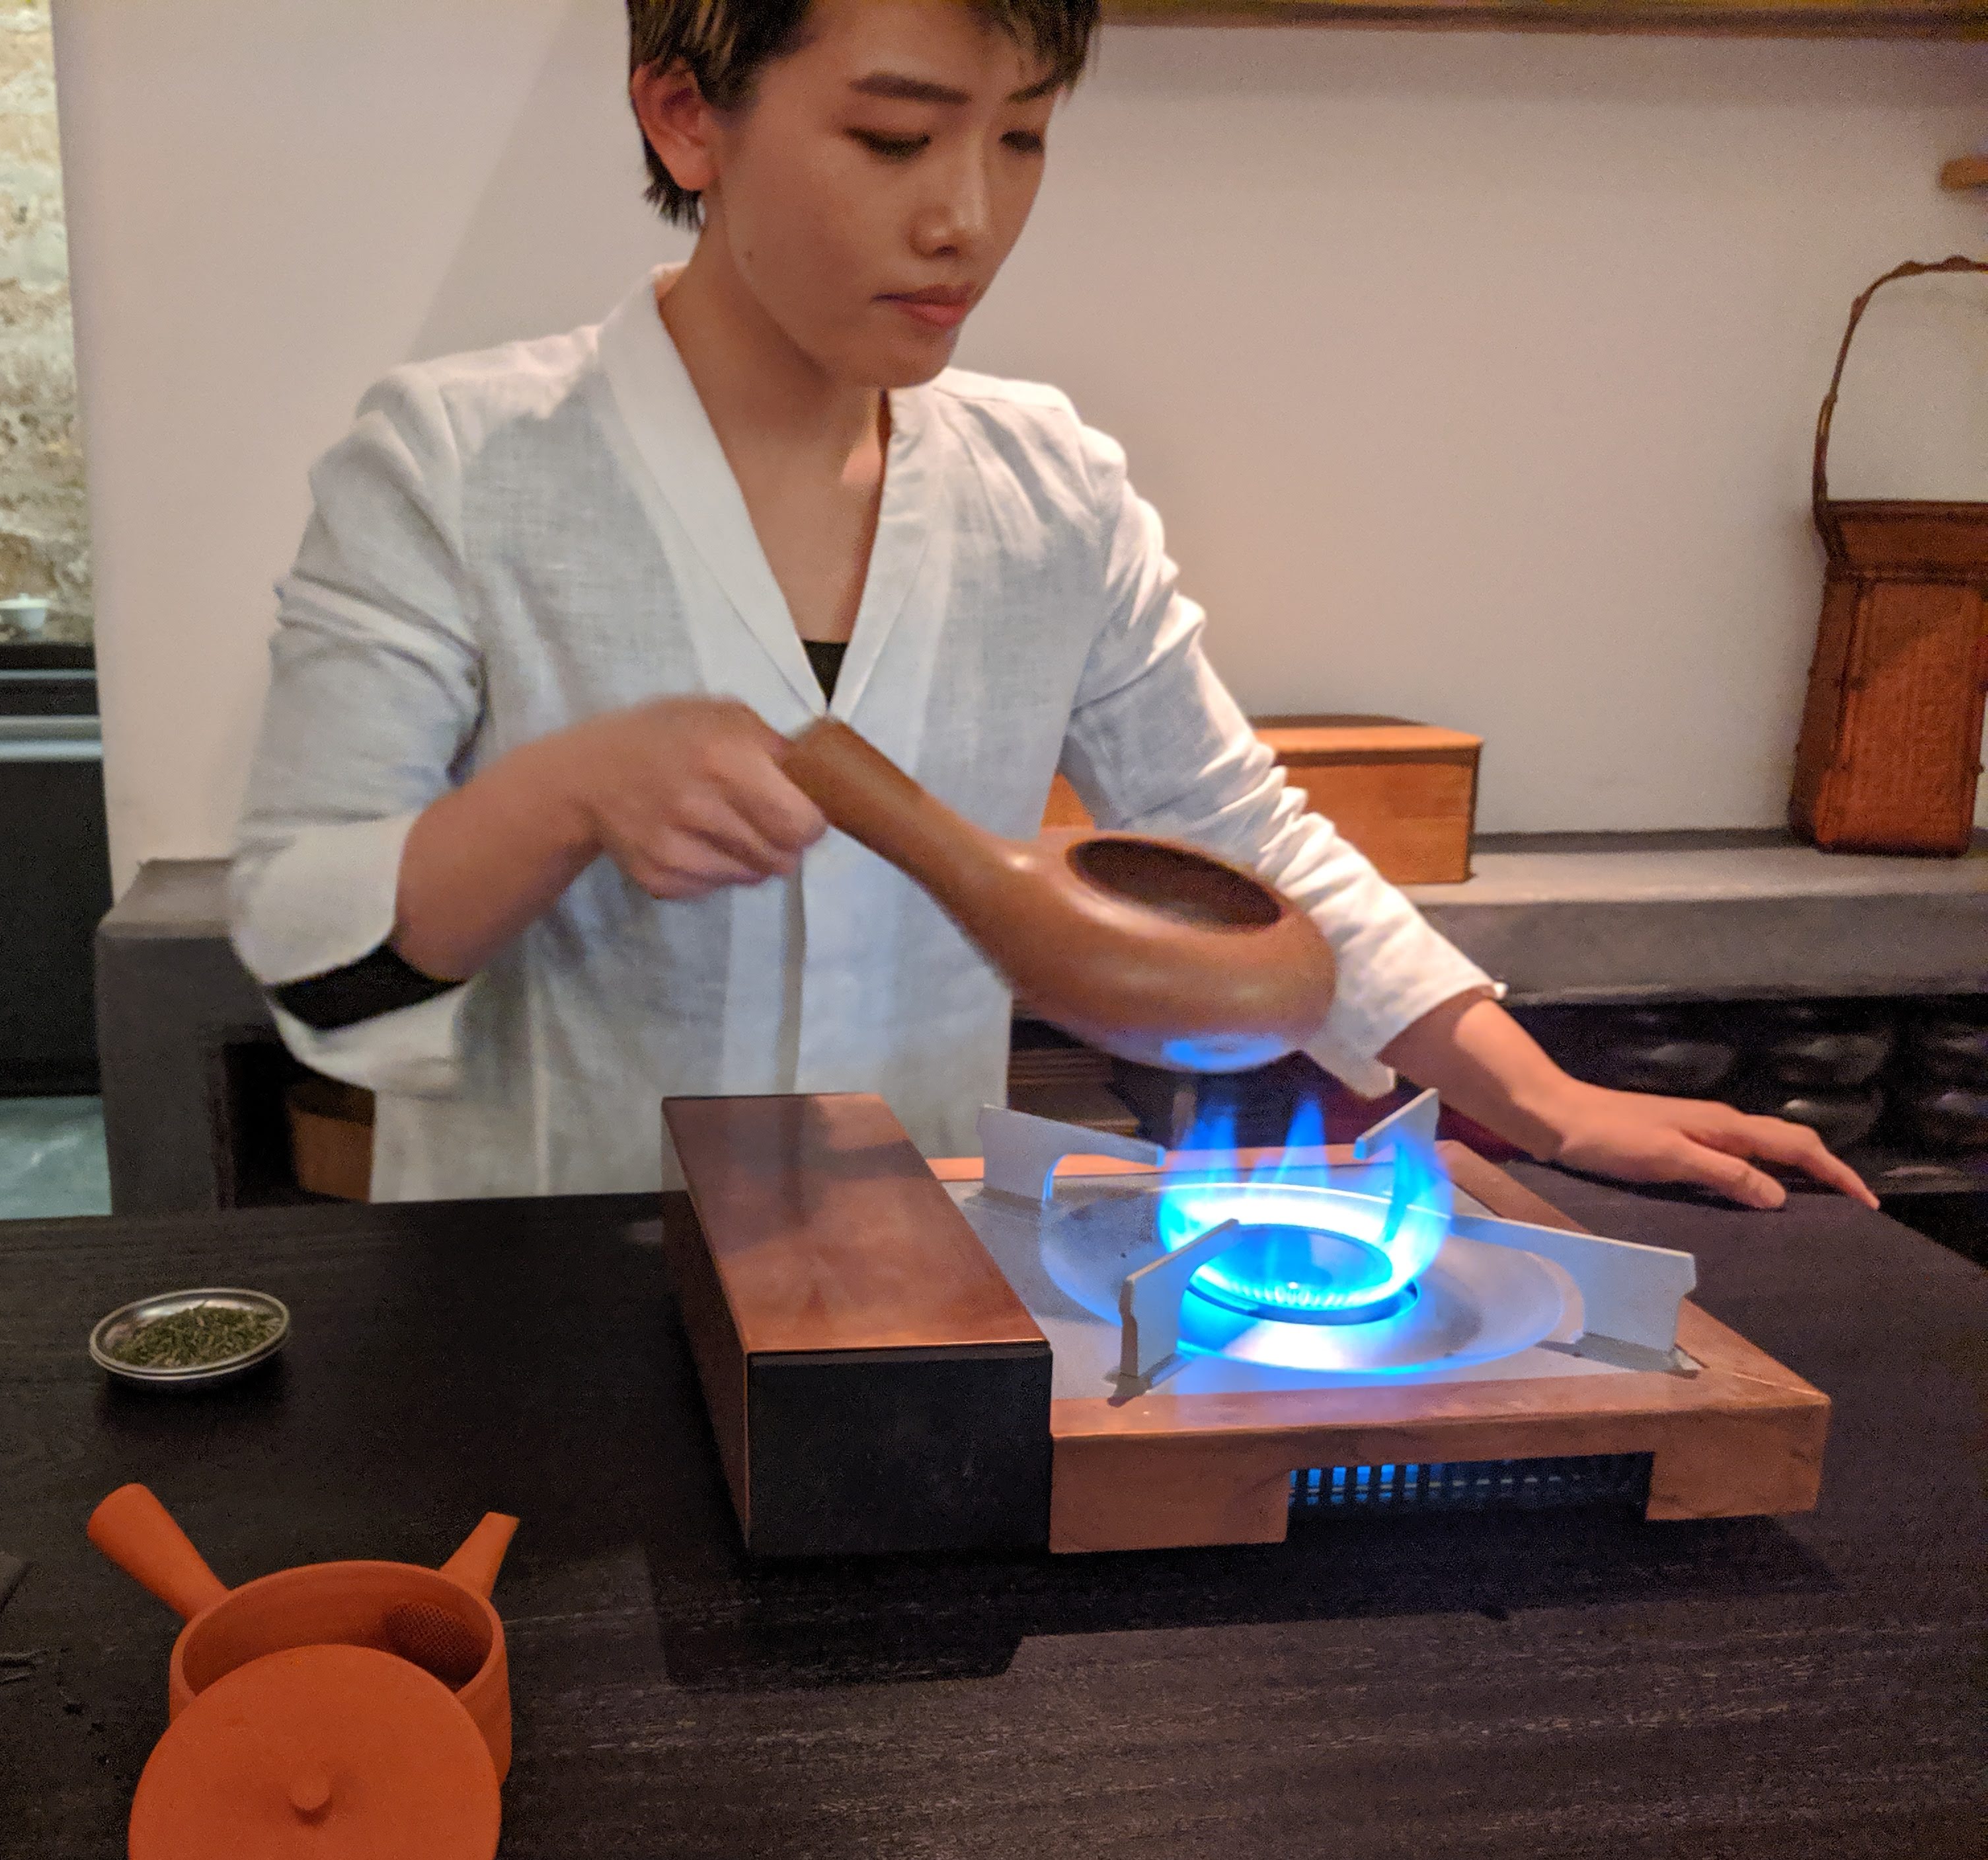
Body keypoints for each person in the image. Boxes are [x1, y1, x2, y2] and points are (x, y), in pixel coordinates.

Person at [230, 0, 1872, 1211]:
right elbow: (309, 942)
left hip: (917, 1273)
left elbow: (1238, 835)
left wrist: (1546, 1101)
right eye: (894, 139)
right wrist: (558, 796)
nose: (969, 217)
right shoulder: (457, 464)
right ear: (684, 117)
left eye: (1020, 138)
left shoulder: (1046, 489)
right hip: (549, 1294)